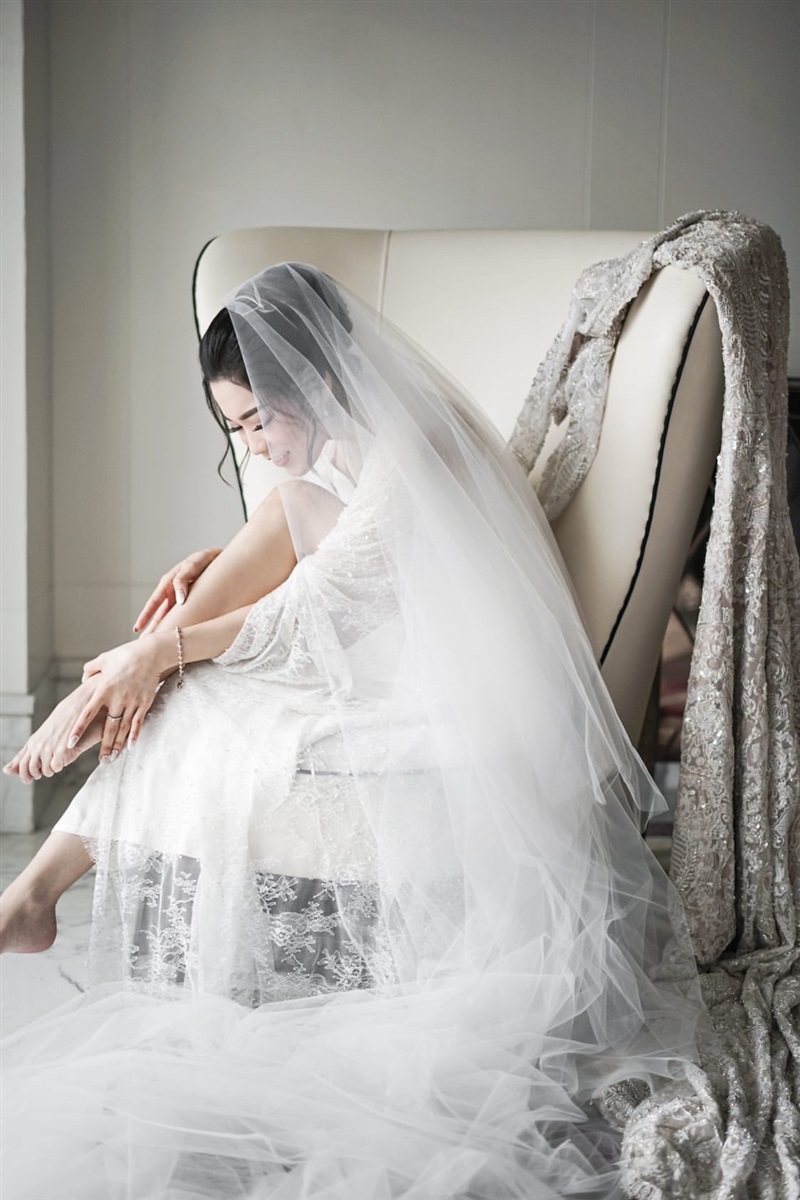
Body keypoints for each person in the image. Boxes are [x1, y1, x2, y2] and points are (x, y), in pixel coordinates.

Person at [1, 263, 703, 1199]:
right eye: (235, 429)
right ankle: (62, 819)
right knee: (240, 580)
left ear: (320, 378)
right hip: (394, 634)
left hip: (449, 688)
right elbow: (325, 541)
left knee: (195, 690)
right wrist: (201, 581)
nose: (252, 443)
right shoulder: (357, 438)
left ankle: (46, 857)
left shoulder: (414, 450)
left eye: (259, 421)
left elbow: (317, 608)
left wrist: (157, 653)